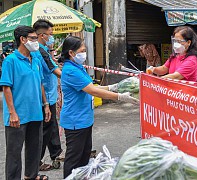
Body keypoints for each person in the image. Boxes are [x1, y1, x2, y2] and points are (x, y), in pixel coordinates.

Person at [59, 36, 139, 178]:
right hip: (75, 121)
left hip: (84, 119)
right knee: (74, 159)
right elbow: (93, 91)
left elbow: (92, 86)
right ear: (71, 53)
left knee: (84, 156)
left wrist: (113, 87)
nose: (84, 53)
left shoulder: (78, 67)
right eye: (82, 50)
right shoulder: (71, 70)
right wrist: (119, 97)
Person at [0, 26, 51, 180]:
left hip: (35, 112)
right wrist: (12, 113)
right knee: (14, 153)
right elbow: (6, 88)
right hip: (18, 115)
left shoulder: (35, 58)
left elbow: (40, 82)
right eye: (33, 38)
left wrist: (46, 104)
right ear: (23, 39)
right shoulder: (11, 61)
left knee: (34, 149)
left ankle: (31, 175)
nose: (36, 41)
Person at [33, 19, 64, 171]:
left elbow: (54, 65)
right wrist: (74, 79)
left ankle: (55, 154)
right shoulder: (40, 51)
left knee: (51, 126)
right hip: (44, 97)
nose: (52, 37)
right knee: (45, 128)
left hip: (50, 95)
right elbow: (54, 70)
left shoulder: (45, 50)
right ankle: (36, 161)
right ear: (42, 35)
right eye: (50, 34)